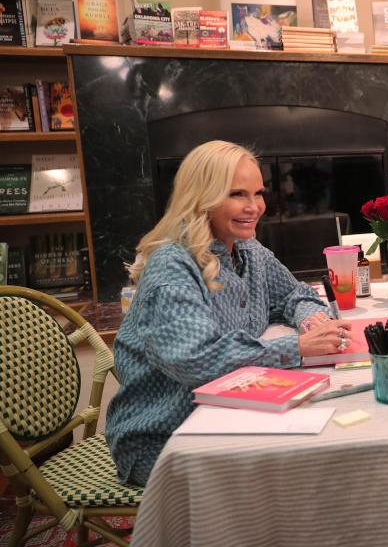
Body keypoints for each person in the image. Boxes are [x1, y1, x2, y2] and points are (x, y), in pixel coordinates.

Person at [105, 140, 352, 486]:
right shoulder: (171, 266)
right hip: (163, 438)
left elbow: (295, 293)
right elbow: (198, 360)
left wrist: (311, 318)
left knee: (320, 446)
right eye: (237, 194)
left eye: (259, 193)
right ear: (201, 197)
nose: (255, 207)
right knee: (295, 471)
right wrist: (296, 348)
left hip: (227, 414)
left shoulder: (248, 249)